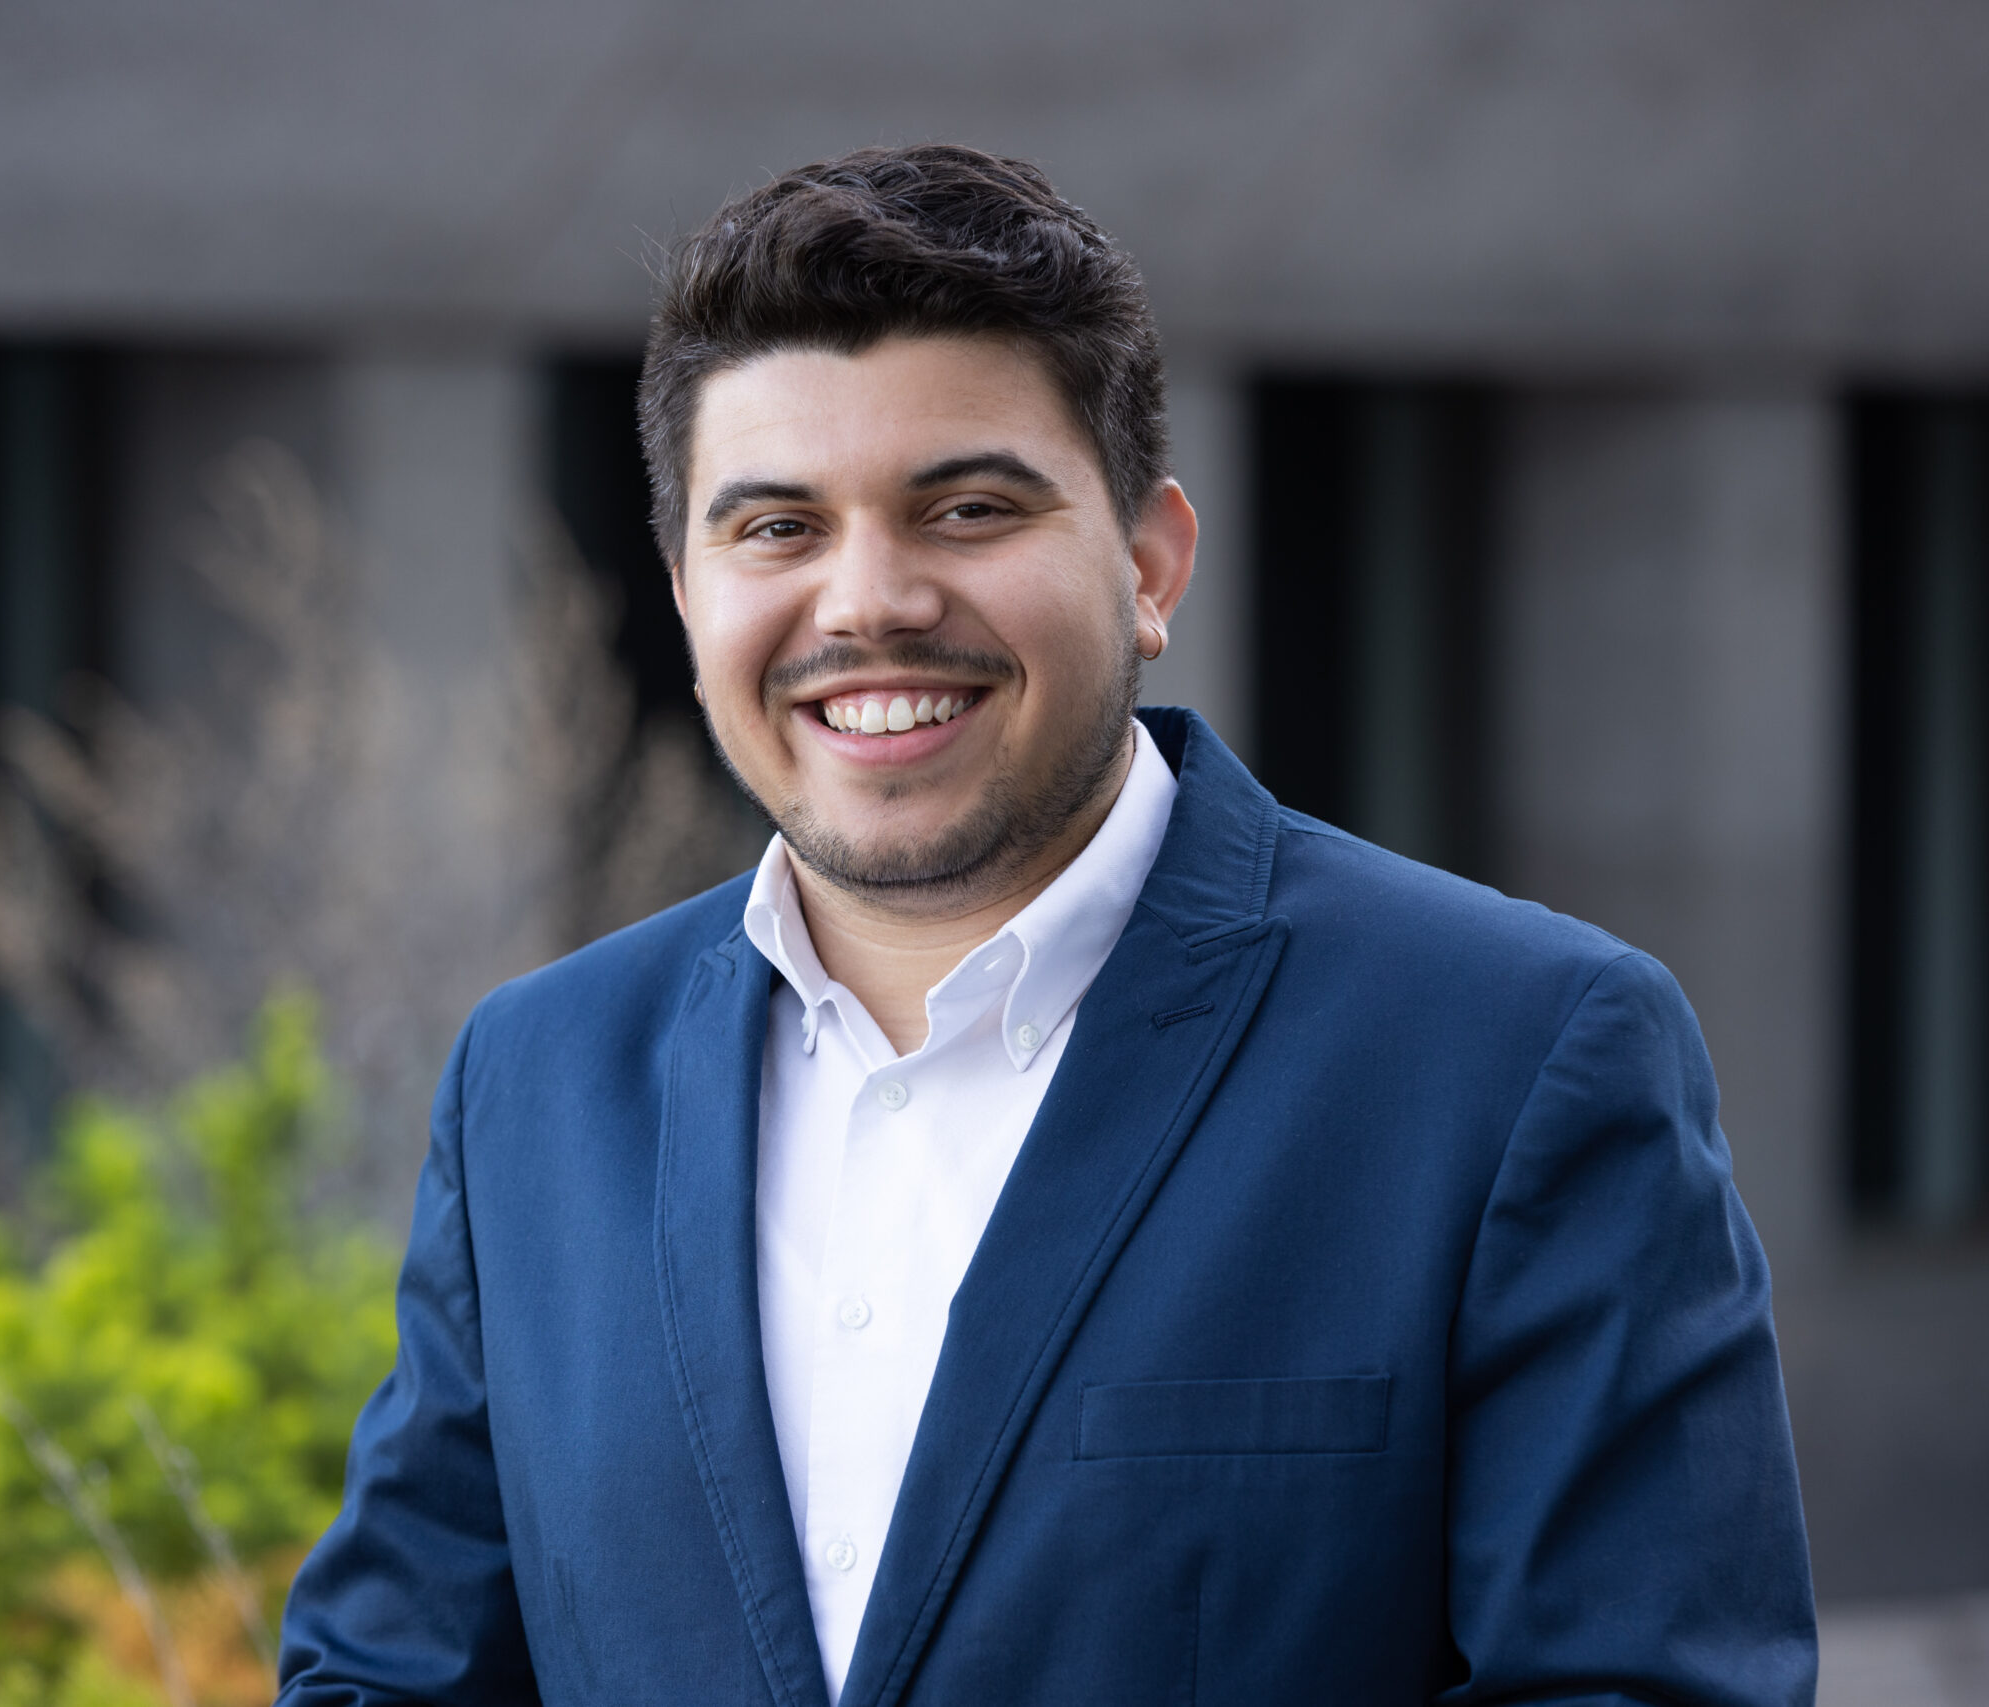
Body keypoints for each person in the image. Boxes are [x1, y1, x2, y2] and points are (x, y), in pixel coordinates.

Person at [276, 144, 1816, 1707]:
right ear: (687, 598)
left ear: (1149, 564)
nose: (867, 602)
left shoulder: (1518, 1057)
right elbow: (385, 1675)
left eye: (965, 508)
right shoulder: (536, 1079)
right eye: (777, 530)